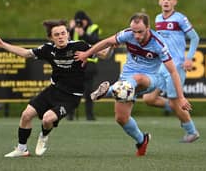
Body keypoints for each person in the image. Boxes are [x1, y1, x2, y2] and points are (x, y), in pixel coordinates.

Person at [75, 12, 192, 156]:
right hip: (126, 80)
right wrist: (86, 54)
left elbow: (173, 71)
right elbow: (107, 42)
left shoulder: (158, 44)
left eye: (140, 32)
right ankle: (142, 140)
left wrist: (180, 97)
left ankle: (109, 91)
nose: (136, 35)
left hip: (149, 79)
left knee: (137, 78)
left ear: (148, 28)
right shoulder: (128, 34)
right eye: (134, 31)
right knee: (121, 118)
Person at [0, 20, 92, 157]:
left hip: (72, 96)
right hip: (53, 90)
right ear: (51, 38)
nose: (60, 37)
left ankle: (43, 136)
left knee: (47, 120)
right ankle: (22, 149)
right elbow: (26, 53)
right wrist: (3, 44)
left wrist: (110, 47)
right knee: (26, 115)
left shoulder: (80, 46)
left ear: (68, 34)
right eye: (56, 35)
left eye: (63, 33)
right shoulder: (48, 49)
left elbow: (103, 53)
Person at [142, 0, 200, 143]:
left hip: (176, 66)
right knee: (149, 98)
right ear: (159, 1)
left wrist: (189, 58)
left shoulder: (180, 18)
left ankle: (192, 131)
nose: (166, 1)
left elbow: (195, 38)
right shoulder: (158, 19)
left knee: (175, 101)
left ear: (175, 2)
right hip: (162, 65)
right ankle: (179, 111)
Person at [67, 10, 101, 121]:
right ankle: (70, 114)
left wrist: (84, 34)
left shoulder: (93, 27)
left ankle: (89, 115)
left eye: (81, 21)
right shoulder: (75, 29)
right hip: (77, 63)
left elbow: (95, 41)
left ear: (86, 20)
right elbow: (67, 41)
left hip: (90, 64)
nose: (80, 24)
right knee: (72, 89)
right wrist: (70, 29)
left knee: (88, 92)